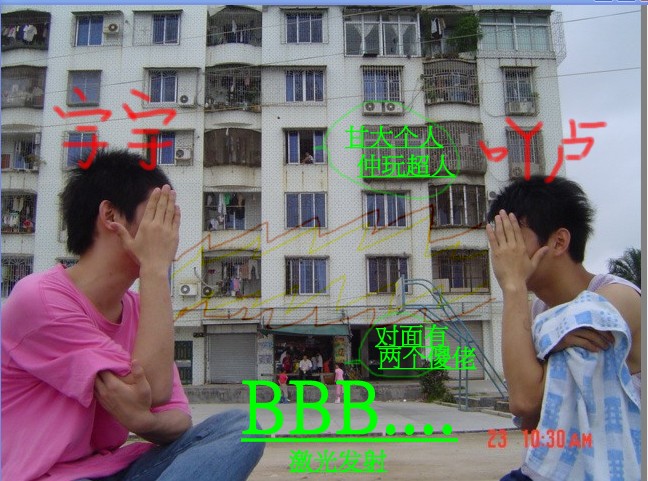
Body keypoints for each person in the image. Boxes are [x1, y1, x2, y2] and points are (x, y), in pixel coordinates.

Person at [1, 150, 265, 481]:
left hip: (115, 468)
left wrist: (145, 422)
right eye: (157, 215)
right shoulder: (40, 299)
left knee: (240, 426)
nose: (168, 233)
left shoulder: (142, 308)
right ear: (111, 215)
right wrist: (154, 268)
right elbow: (154, 388)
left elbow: (177, 416)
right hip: (51, 476)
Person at [486, 176, 641, 481]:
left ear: (558, 242)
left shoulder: (615, 300)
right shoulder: (539, 311)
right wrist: (552, 336)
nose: (503, 253)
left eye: (514, 238)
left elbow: (524, 399)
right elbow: (531, 421)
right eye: (499, 240)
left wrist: (513, 285)